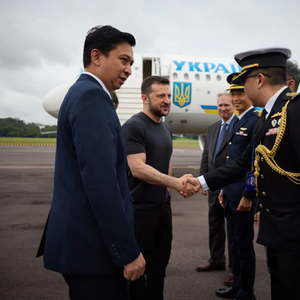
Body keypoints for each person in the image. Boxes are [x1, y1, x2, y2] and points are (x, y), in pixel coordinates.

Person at [36, 25, 146, 300]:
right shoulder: (92, 98)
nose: (129, 69)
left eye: (131, 63)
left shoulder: (80, 93)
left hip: (82, 243)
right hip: (93, 249)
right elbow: (101, 183)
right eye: (124, 60)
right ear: (96, 56)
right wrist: (127, 251)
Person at [186, 47, 300, 300]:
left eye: (244, 83)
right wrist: (201, 181)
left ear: (259, 79)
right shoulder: (267, 117)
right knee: (281, 285)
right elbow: (243, 163)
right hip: (278, 228)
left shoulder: (294, 111)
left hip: (293, 230)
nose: (242, 91)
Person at [122, 75, 198, 300]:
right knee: (137, 270)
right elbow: (138, 168)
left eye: (169, 96)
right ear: (145, 98)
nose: (167, 100)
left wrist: (171, 192)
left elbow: (166, 163)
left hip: (161, 208)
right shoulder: (133, 127)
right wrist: (175, 183)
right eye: (161, 96)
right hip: (139, 210)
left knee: (159, 266)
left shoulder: (165, 129)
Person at [215, 74, 259, 300]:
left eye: (240, 92)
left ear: (249, 93)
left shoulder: (255, 120)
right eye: (233, 93)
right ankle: (236, 285)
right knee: (234, 244)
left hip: (243, 196)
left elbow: (254, 162)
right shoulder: (237, 120)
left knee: (244, 246)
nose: (235, 97)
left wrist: (249, 193)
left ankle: (246, 292)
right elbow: (231, 161)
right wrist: (223, 188)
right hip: (230, 193)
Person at [195, 93, 235, 285]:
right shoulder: (212, 128)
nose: (223, 108)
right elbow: (206, 156)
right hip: (213, 186)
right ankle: (217, 259)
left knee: (234, 228)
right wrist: (203, 180)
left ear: (233, 105)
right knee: (215, 224)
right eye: (220, 105)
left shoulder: (238, 127)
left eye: (226, 105)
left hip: (231, 186)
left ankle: (235, 268)